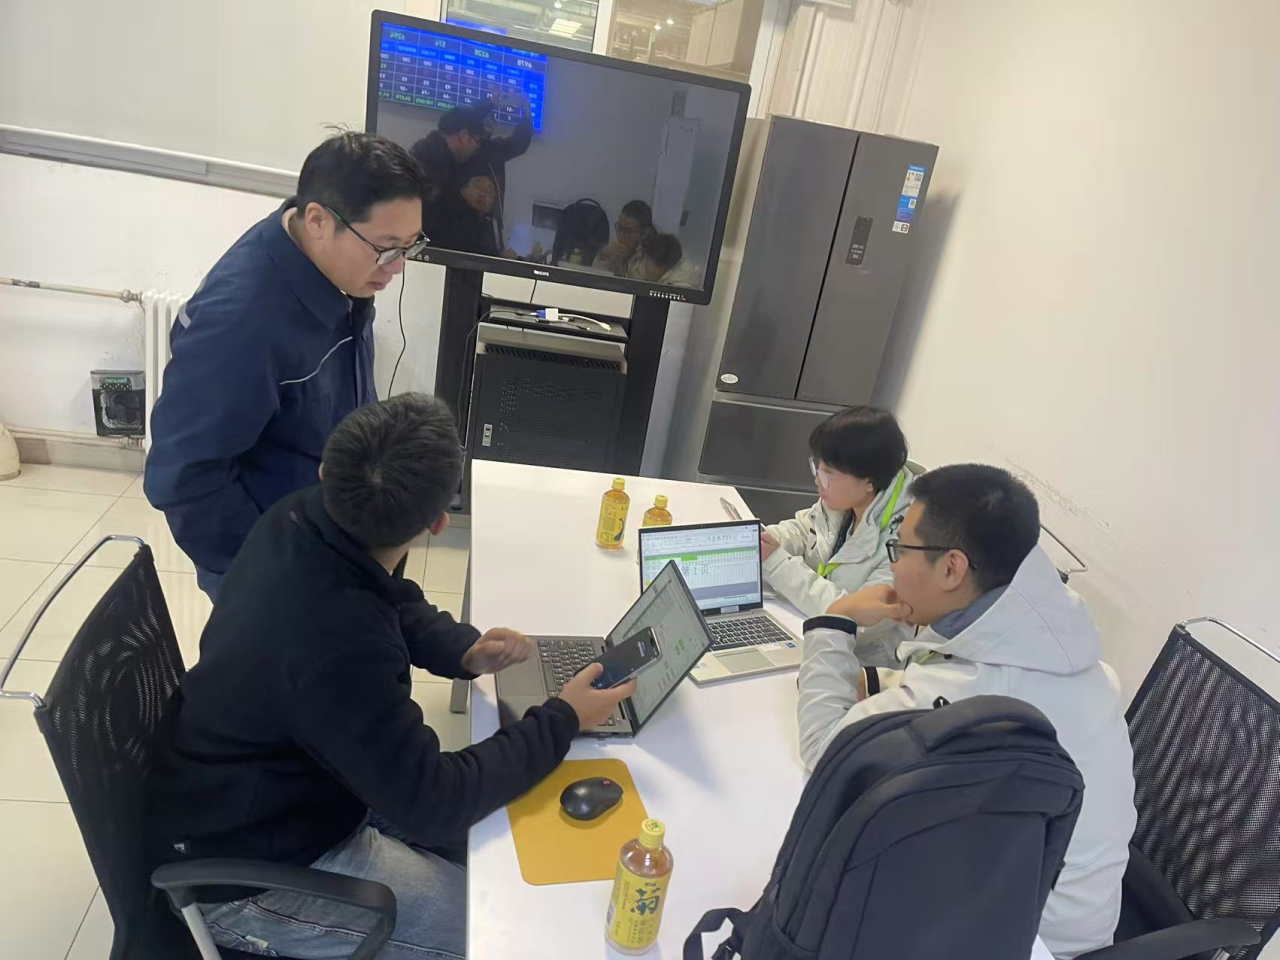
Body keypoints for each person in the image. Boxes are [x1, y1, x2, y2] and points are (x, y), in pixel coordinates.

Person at [147, 393, 634, 959]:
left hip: (282, 782)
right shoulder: (340, 647)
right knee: (495, 930)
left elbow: (388, 597)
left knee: (503, 835)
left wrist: (463, 650)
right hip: (245, 871)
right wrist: (563, 719)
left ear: (329, 472)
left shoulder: (300, 516)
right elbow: (434, 804)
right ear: (438, 522)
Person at [799, 465, 1136, 958]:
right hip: (1065, 910)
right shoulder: (1049, 631)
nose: (894, 568)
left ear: (952, 569)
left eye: (900, 550)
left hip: (1026, 941)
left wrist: (838, 618)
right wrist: (882, 683)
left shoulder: (974, 691)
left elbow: (825, 753)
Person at [144, 132, 428, 602]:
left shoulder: (338, 268)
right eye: (387, 247)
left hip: (332, 536)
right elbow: (183, 476)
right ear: (317, 221)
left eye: (409, 246)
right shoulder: (241, 320)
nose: (397, 267)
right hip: (277, 572)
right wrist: (274, 577)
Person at [761, 407, 916, 637]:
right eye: (817, 467)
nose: (817, 480)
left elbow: (855, 619)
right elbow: (806, 530)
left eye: (827, 473)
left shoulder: (907, 540)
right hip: (807, 628)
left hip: (858, 654)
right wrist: (765, 539)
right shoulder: (848, 499)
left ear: (869, 481)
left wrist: (776, 563)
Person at [413, 97, 532, 249]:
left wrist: (525, 113)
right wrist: (490, 103)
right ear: (464, 135)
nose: (476, 146)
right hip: (441, 238)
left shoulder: (485, 149)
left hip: (469, 229)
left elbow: (518, 143)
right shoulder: (432, 158)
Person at [593, 200, 655, 275]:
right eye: (619, 228)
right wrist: (603, 256)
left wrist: (630, 259)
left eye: (628, 231)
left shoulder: (655, 258)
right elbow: (595, 277)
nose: (621, 236)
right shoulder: (617, 248)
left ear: (644, 233)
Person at [633, 232, 702, 288]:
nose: (644, 264)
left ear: (663, 266)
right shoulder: (640, 261)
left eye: (648, 260)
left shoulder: (684, 283)